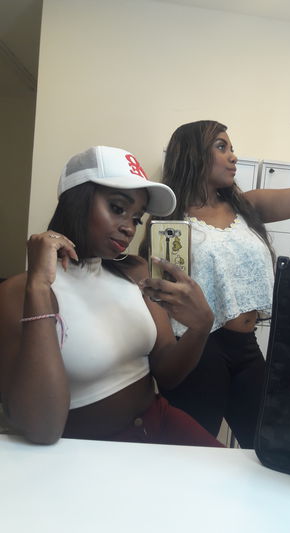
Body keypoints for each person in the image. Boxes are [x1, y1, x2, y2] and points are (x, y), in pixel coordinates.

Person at [140, 97, 290, 449]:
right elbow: (158, 295)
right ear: (192, 154)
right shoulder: (169, 221)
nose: (233, 156)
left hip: (246, 348)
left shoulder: (248, 206)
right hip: (199, 350)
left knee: (268, 447)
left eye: (232, 148)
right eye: (221, 147)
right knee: (190, 456)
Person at [0, 145, 224, 447]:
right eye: (118, 208)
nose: (129, 228)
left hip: (159, 422)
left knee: (238, 475)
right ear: (76, 202)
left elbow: (167, 374)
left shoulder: (136, 271)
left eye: (137, 218)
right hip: (89, 449)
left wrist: (200, 327)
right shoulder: (20, 292)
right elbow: (42, 429)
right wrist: (38, 286)